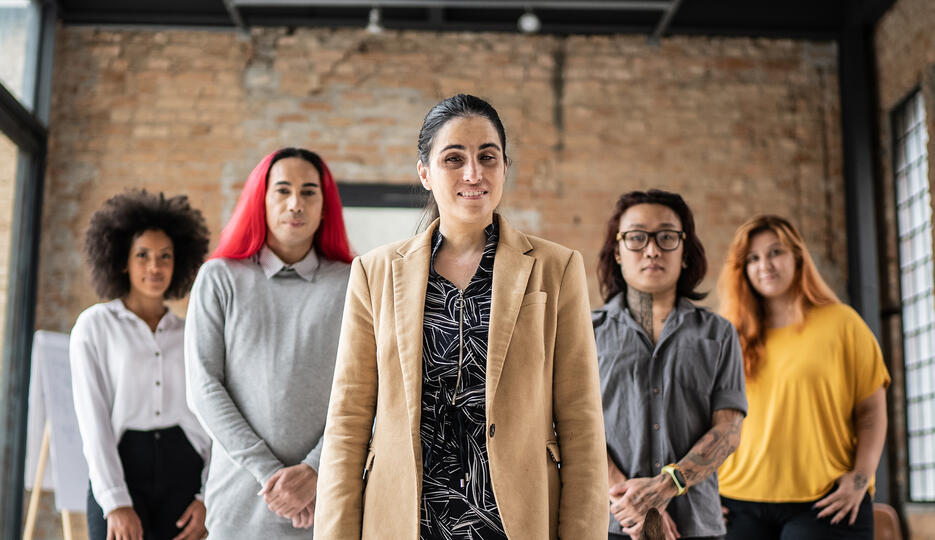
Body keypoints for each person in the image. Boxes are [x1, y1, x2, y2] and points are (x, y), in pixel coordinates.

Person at [314, 94, 608, 539]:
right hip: (406, 521)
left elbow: (582, 424)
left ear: (504, 167)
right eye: (454, 158)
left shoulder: (556, 268)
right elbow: (348, 421)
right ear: (426, 174)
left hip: (516, 522)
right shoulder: (374, 273)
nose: (474, 173)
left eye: (487, 156)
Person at [184, 148, 353, 538]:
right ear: (261, 201)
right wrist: (273, 477)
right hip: (239, 506)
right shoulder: (219, 278)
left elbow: (369, 394)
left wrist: (314, 469)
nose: (296, 203)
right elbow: (204, 388)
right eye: (282, 191)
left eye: (309, 192)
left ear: (325, 206)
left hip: (327, 502)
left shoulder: (353, 283)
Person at [717, 215, 889, 540]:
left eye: (775, 252)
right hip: (736, 503)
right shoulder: (729, 335)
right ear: (743, 269)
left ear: (798, 257)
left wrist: (860, 479)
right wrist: (702, 491)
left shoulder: (842, 324)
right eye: (753, 258)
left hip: (826, 501)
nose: (764, 265)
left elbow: (871, 410)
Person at [593, 189, 747, 540]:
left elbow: (729, 431)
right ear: (617, 251)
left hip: (696, 526)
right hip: (610, 524)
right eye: (636, 237)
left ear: (685, 252)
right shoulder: (585, 333)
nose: (651, 250)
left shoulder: (719, 334)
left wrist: (665, 487)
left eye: (666, 237)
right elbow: (568, 426)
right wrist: (633, 505)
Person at [71, 189, 211, 540]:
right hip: (121, 467)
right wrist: (116, 501)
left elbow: (211, 417)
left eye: (165, 256)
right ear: (122, 260)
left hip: (185, 471)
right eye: (143, 255)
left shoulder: (192, 331)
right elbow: (93, 419)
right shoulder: (95, 326)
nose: (155, 267)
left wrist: (208, 495)